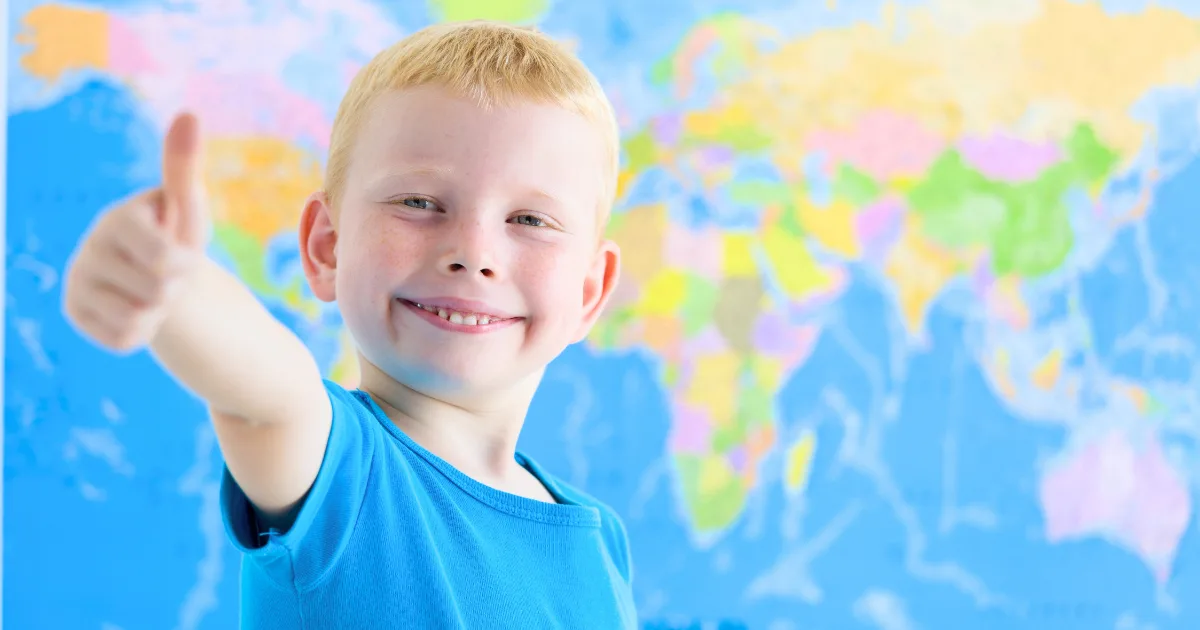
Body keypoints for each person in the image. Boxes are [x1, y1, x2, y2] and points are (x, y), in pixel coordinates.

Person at [62, 20, 634, 629]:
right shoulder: (337, 472)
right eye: (418, 203)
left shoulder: (603, 539)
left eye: (529, 219)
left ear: (589, 290)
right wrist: (174, 287)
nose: (474, 251)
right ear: (326, 247)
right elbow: (269, 396)